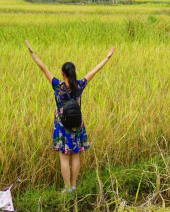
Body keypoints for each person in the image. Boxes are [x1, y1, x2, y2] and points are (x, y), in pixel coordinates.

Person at [25, 40, 115, 193]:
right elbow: (94, 71)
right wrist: (107, 58)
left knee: (64, 157)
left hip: (62, 125)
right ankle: (73, 185)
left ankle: (67, 188)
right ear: (73, 73)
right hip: (77, 125)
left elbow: (43, 68)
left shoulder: (57, 86)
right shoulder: (79, 86)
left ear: (63, 74)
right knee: (76, 155)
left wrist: (33, 54)